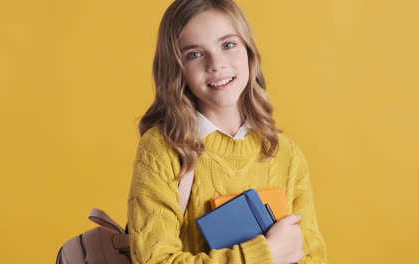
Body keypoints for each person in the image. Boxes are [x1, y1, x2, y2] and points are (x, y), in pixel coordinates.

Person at [127, 0, 327, 263]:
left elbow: (312, 256)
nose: (216, 64)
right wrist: (267, 254)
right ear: (176, 68)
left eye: (228, 45)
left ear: (249, 51)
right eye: (194, 54)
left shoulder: (286, 155)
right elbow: (154, 260)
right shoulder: (163, 150)